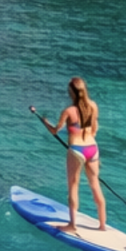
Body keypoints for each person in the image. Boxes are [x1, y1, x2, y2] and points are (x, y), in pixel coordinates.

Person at [42, 77, 106, 236]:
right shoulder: (93, 106)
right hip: (93, 148)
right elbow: (94, 129)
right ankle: (102, 225)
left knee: (73, 186)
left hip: (77, 150)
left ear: (71, 92)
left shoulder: (69, 111)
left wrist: (45, 122)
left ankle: (72, 225)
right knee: (95, 185)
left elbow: (55, 131)